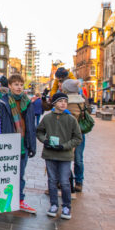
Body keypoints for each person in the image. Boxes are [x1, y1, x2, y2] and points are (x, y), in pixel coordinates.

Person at [0, 74, 38, 214]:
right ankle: (3, 199)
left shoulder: (28, 103)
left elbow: (31, 125)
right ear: (10, 86)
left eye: (21, 84)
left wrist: (32, 145)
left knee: (20, 174)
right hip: (8, 143)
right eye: (16, 84)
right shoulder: (3, 102)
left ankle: (19, 200)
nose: (19, 87)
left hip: (23, 143)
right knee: (5, 173)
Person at [36, 92, 82, 220]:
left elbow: (78, 138)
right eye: (60, 101)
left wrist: (65, 146)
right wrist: (44, 140)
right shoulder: (47, 118)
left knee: (64, 182)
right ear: (54, 103)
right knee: (52, 181)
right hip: (50, 154)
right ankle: (54, 205)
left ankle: (66, 206)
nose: (63, 104)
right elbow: (39, 131)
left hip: (65, 155)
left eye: (65, 101)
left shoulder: (71, 119)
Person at [62, 79, 89, 191]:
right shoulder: (82, 101)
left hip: (68, 135)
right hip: (79, 134)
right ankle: (78, 182)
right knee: (78, 159)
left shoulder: (66, 101)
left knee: (65, 159)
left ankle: (66, 180)